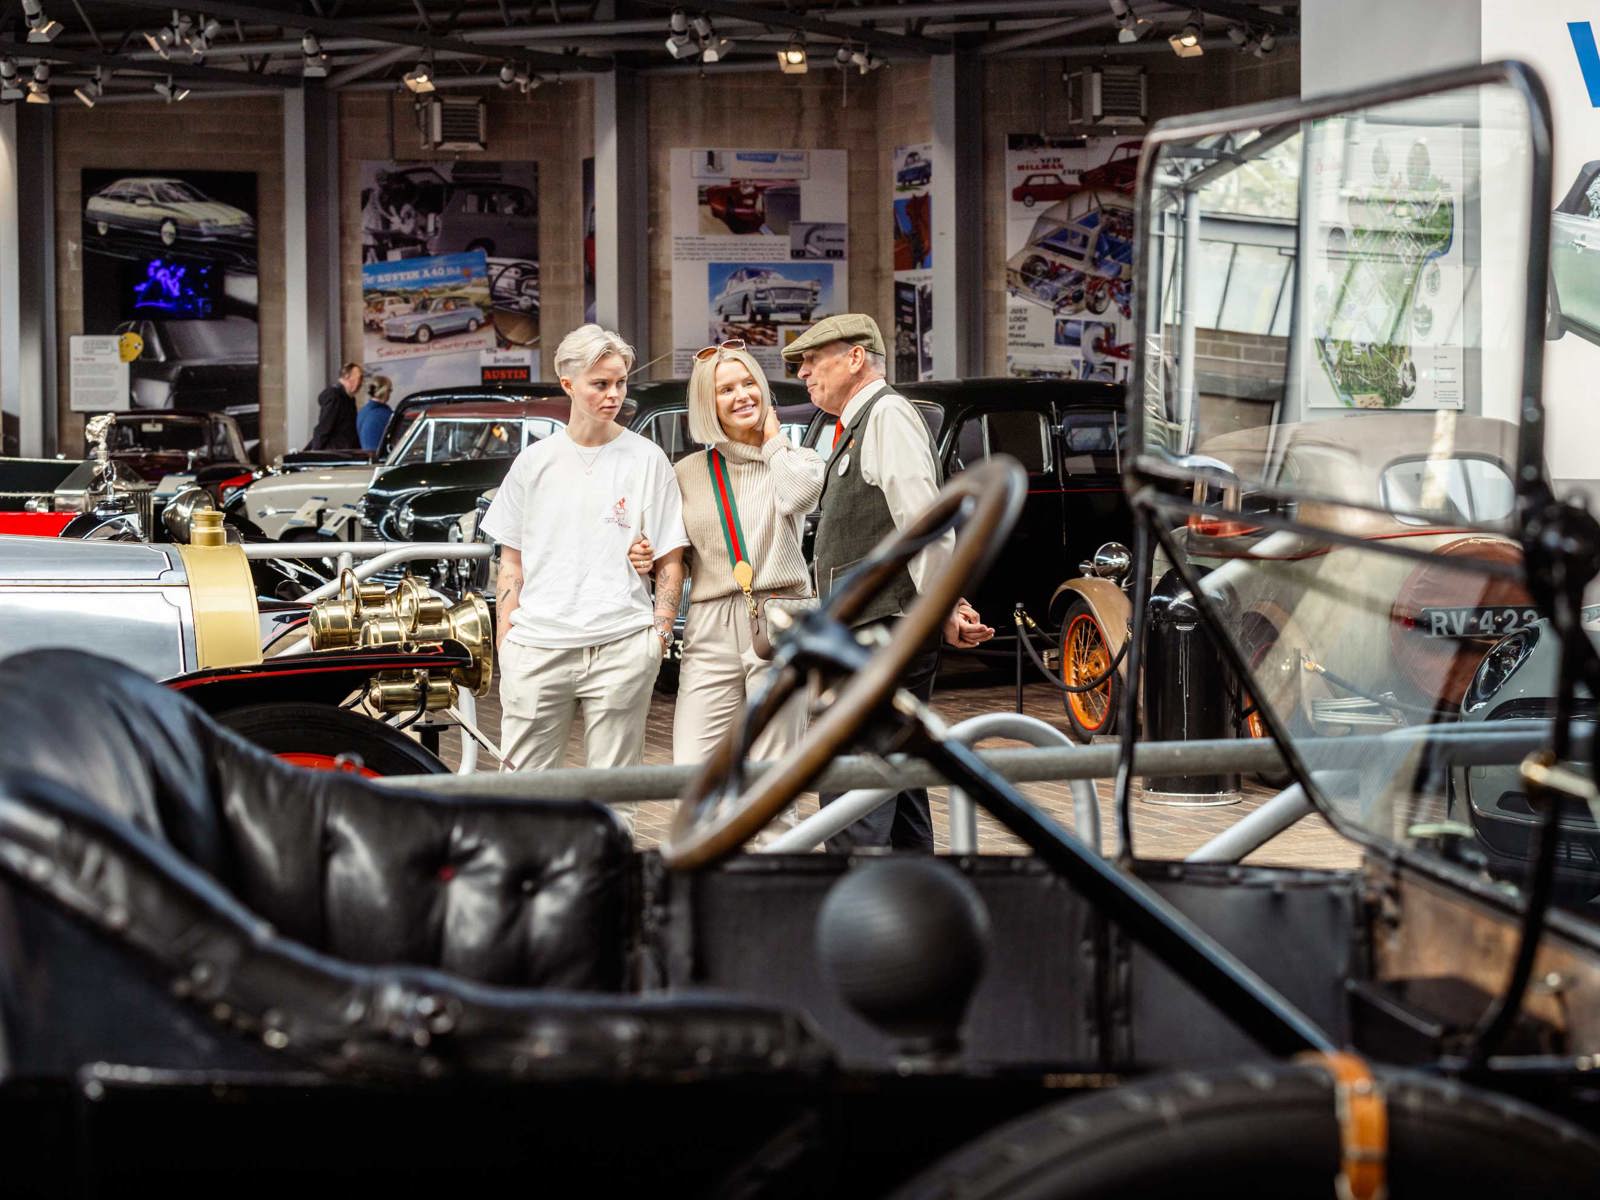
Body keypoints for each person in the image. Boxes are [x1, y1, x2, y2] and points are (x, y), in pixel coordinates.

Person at [785, 313, 994, 852]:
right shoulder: (865, 422)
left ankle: (862, 911)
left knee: (856, 782)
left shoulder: (886, 416)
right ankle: (911, 900)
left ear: (856, 358)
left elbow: (922, 520)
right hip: (874, 629)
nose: (804, 373)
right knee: (893, 778)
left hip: (880, 632)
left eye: (814, 360)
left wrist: (940, 605)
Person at [479, 324, 688, 772]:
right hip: (537, 648)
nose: (614, 394)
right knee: (522, 792)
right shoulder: (534, 463)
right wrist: (507, 641)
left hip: (623, 647)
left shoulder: (647, 459)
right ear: (568, 384)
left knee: (617, 794)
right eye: (600, 384)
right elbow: (510, 560)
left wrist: (659, 635)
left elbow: (671, 557)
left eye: (620, 382)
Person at [629, 341, 824, 767]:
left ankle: (776, 839)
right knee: (694, 769)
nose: (742, 396)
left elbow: (800, 496)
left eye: (749, 383)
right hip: (710, 624)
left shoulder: (797, 460)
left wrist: (772, 438)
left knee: (775, 775)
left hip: (781, 618)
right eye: (726, 390)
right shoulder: (686, 473)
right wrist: (646, 556)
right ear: (708, 404)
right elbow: (676, 556)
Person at [307, 362, 362, 451]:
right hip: (336, 452)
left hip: (345, 451)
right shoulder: (335, 396)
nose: (361, 383)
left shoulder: (349, 398)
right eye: (359, 378)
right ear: (347, 377)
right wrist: (314, 453)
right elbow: (324, 427)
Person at [356, 374, 393, 452]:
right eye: (390, 390)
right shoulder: (385, 414)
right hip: (383, 460)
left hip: (366, 458)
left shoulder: (362, 412)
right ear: (385, 391)